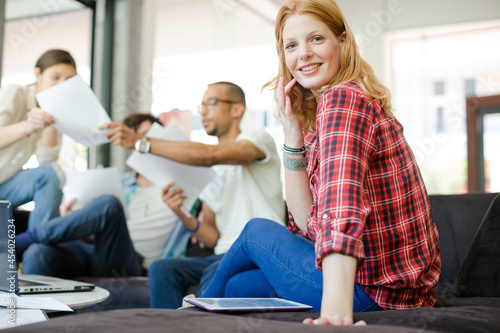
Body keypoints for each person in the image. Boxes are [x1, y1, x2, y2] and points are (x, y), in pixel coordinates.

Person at [202, 0, 441, 327]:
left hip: (375, 292)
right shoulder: (328, 114)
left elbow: (341, 211)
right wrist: (291, 133)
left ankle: (185, 320)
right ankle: (200, 312)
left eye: (316, 39)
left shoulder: (343, 100)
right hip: (394, 290)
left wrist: (335, 315)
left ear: (342, 42)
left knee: (256, 230)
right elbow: (305, 221)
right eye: (291, 45)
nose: (303, 54)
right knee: (235, 287)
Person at [101, 81, 285, 309]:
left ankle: (194, 318)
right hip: (221, 252)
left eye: (211, 103)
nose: (203, 112)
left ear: (236, 109)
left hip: (258, 251)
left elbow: (208, 154)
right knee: (162, 268)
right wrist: (181, 213)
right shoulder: (211, 172)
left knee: (214, 270)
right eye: (201, 106)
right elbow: (212, 237)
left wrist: (141, 142)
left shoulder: (258, 139)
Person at [17, 113, 179, 277]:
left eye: (146, 135)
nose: (138, 142)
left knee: (110, 204)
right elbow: (95, 233)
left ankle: (17, 243)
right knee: (38, 253)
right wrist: (73, 220)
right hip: (94, 249)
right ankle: (33, 296)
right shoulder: (119, 181)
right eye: (133, 137)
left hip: (127, 260)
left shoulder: (177, 190)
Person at [0, 49, 77, 229]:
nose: (61, 85)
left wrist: (53, 119)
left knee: (52, 172)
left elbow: (46, 161)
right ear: (38, 74)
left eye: (69, 81)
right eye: (55, 77)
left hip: (5, 187)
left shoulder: (55, 113)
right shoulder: (14, 94)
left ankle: (37, 247)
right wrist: (27, 126)